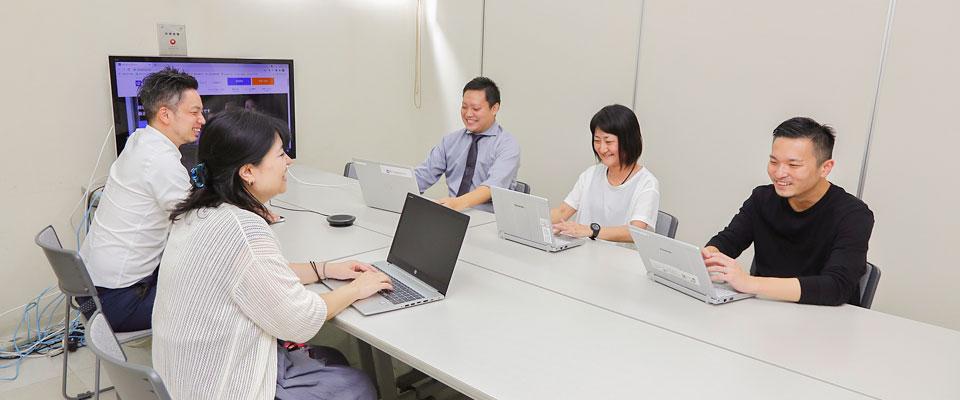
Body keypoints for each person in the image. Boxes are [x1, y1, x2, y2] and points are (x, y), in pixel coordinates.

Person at [153, 109, 390, 400]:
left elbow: (258, 274)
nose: (289, 161)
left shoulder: (198, 213)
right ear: (248, 172)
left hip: (186, 380)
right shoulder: (244, 228)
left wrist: (325, 269)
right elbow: (300, 320)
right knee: (358, 387)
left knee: (332, 358)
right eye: (280, 155)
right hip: (225, 387)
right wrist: (357, 289)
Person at [78, 67, 205, 332]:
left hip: (91, 290)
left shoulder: (139, 139)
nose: (202, 120)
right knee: (217, 294)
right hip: (117, 303)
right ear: (165, 115)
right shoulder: (161, 161)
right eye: (194, 112)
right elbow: (198, 225)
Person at [702, 117, 875, 306]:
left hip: (824, 318)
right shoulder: (762, 199)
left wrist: (750, 283)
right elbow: (728, 241)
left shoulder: (853, 215)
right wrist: (707, 256)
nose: (779, 173)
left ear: (825, 168)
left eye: (793, 165)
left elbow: (836, 287)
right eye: (774, 162)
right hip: (765, 310)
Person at [551, 104, 660, 243]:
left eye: (608, 141)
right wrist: (535, 219)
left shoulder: (647, 183)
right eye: (597, 141)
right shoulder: (591, 174)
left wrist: (591, 231)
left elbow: (635, 232)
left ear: (628, 141)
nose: (602, 149)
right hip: (583, 252)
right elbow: (562, 211)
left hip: (619, 256)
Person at [414, 77, 520, 212]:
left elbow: (492, 187)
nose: (468, 114)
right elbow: (423, 175)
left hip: (489, 218)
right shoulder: (450, 141)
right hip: (452, 214)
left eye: (476, 108)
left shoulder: (507, 145)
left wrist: (456, 204)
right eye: (464, 107)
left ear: (494, 108)